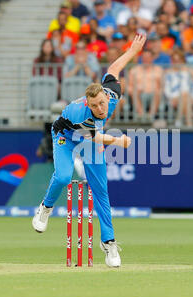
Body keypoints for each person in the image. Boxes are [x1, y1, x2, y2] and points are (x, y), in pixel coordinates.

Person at [32, 34, 147, 268]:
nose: (99, 109)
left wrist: (133, 51)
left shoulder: (112, 92)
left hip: (91, 139)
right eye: (94, 106)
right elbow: (95, 137)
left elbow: (115, 67)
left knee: (101, 190)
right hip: (66, 136)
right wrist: (119, 141)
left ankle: (109, 243)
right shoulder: (79, 112)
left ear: (107, 96)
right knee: (64, 176)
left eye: (102, 103)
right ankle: (45, 208)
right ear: (87, 103)